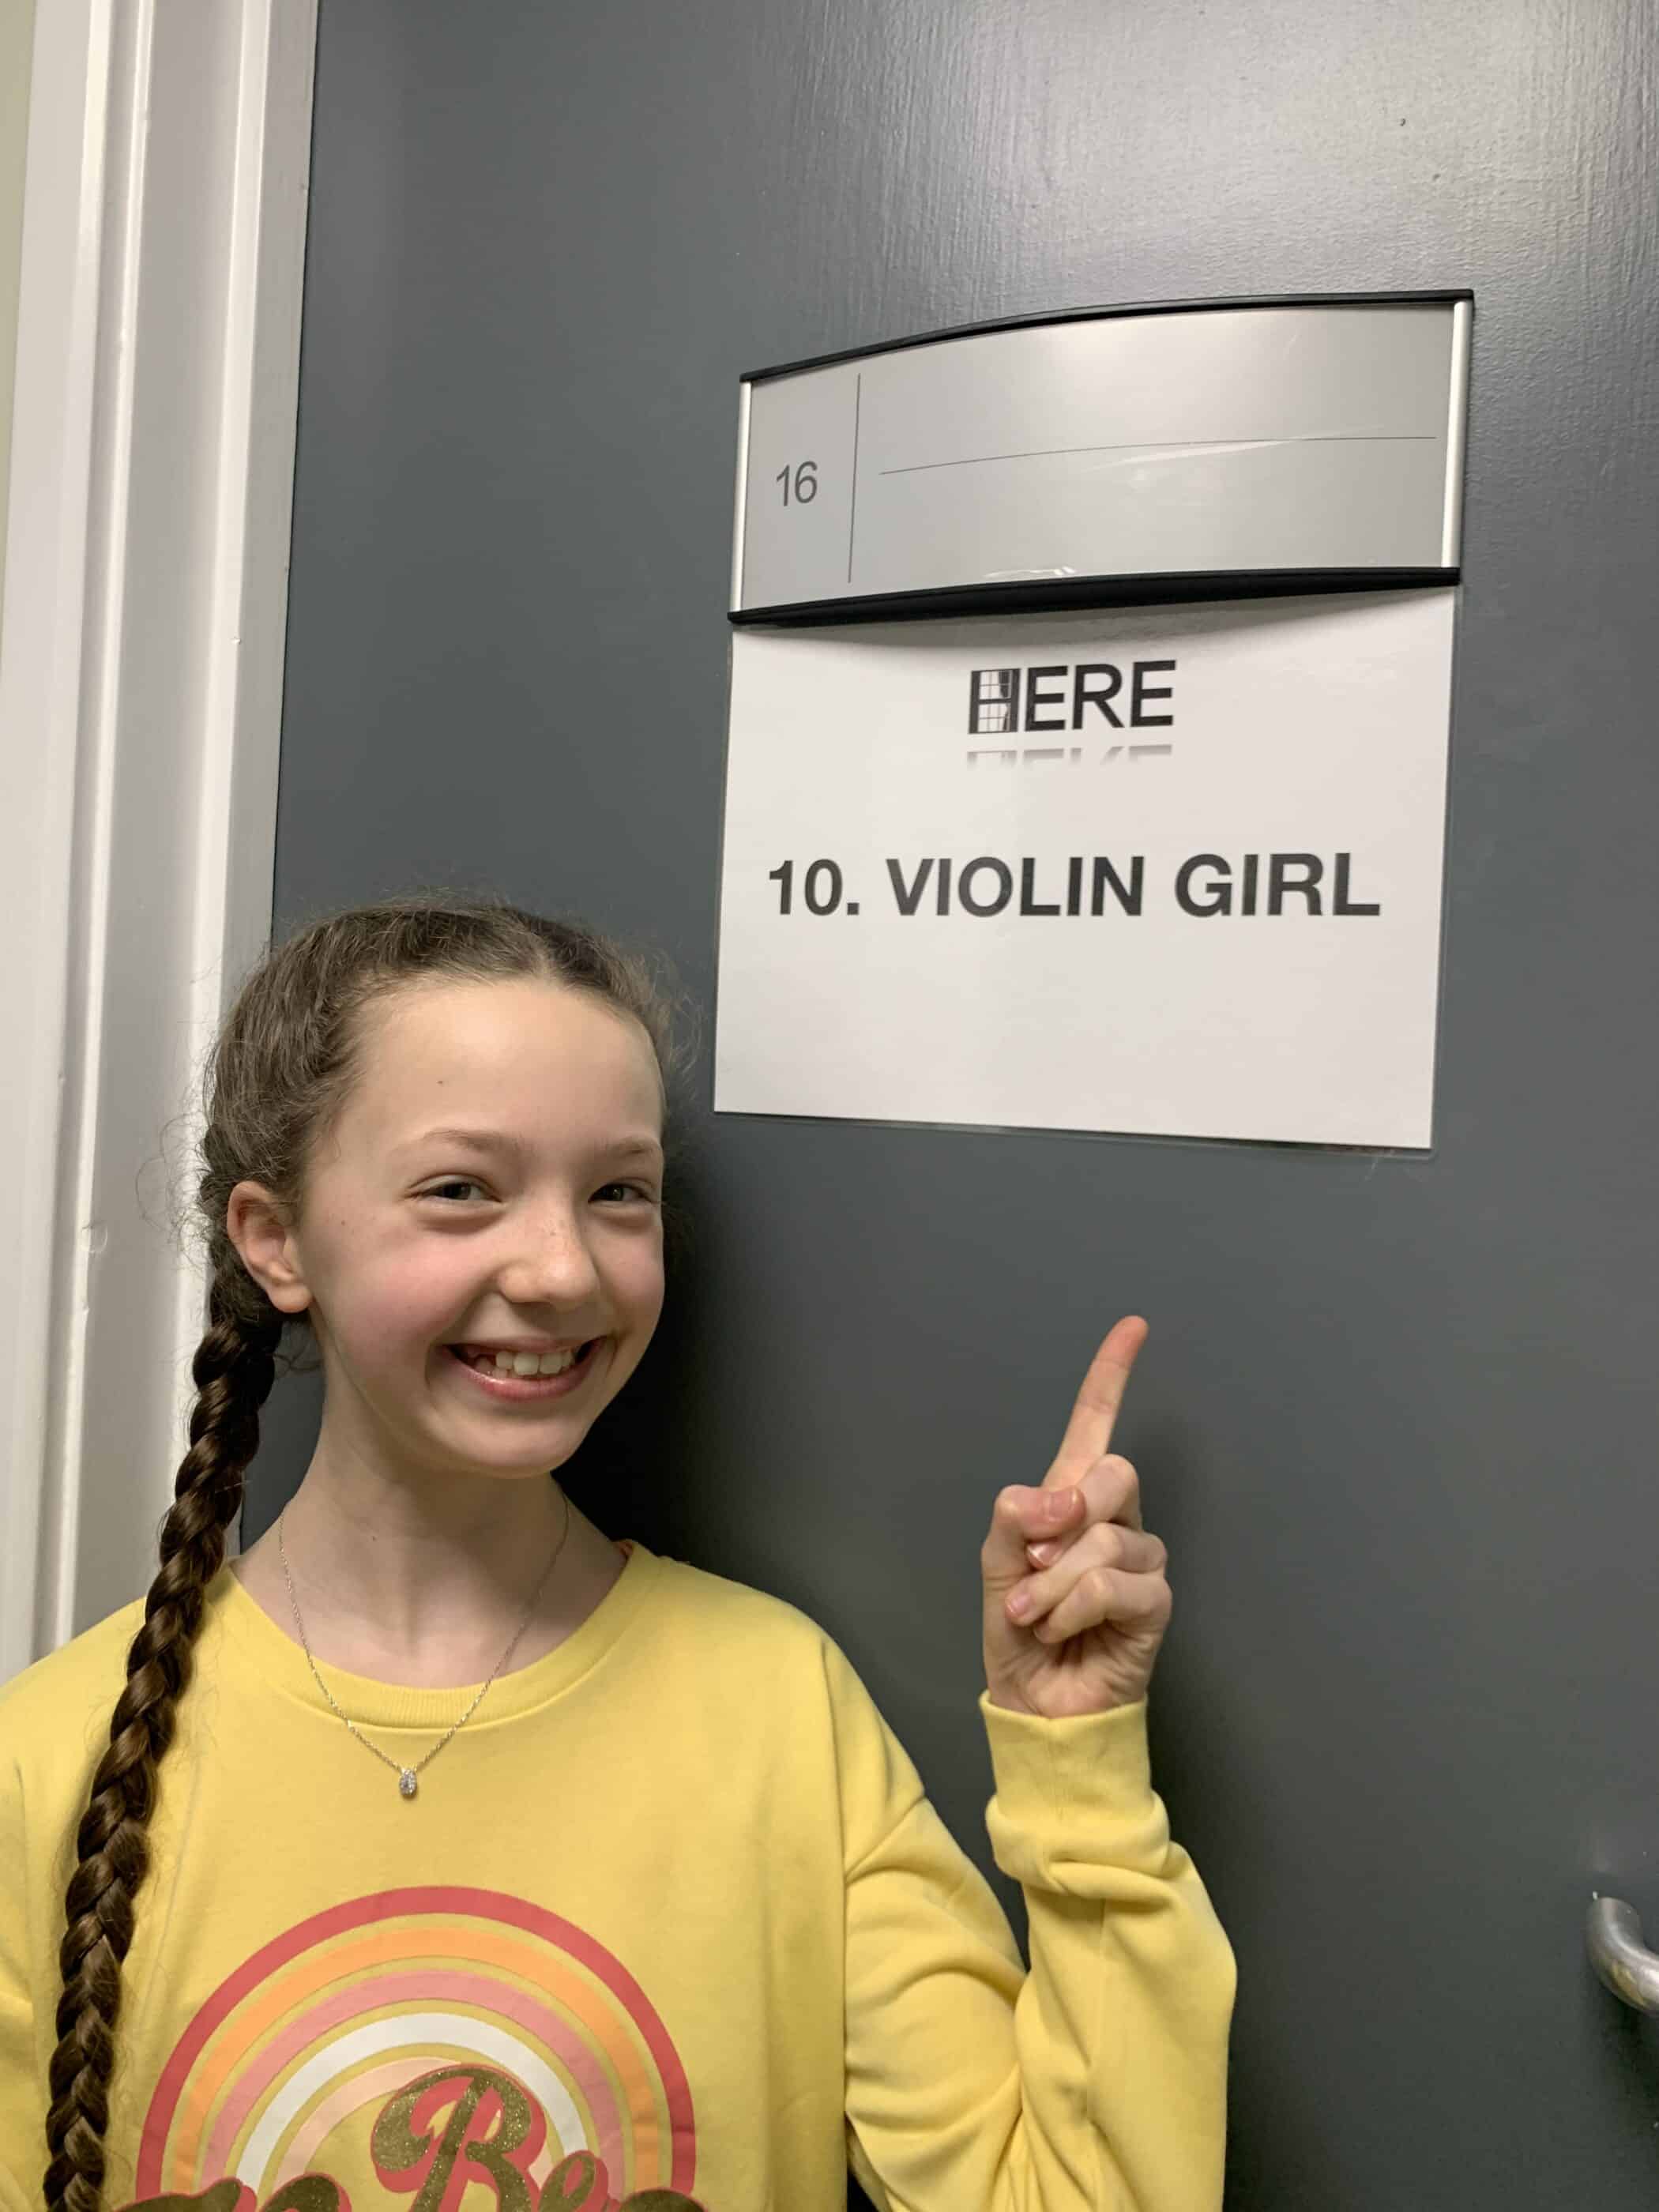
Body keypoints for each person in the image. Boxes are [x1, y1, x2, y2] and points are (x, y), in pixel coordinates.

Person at [0, 896, 1234, 2212]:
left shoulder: (776, 1710)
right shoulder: (50, 1756)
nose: (561, 1267)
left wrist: (1079, 1772)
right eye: (461, 1189)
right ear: (276, 1238)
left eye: (617, 1193)